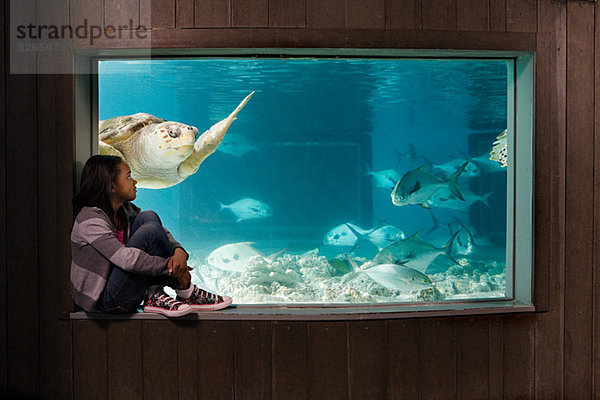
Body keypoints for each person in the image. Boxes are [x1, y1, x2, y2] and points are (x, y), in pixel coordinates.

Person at [70, 154, 232, 317]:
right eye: (129, 176)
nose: (135, 182)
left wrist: (179, 252)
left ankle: (166, 294)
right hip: (107, 301)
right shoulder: (89, 220)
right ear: (112, 186)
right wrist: (172, 269)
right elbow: (126, 259)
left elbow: (162, 232)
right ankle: (174, 292)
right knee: (149, 231)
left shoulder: (125, 211)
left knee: (148, 217)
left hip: (124, 285)